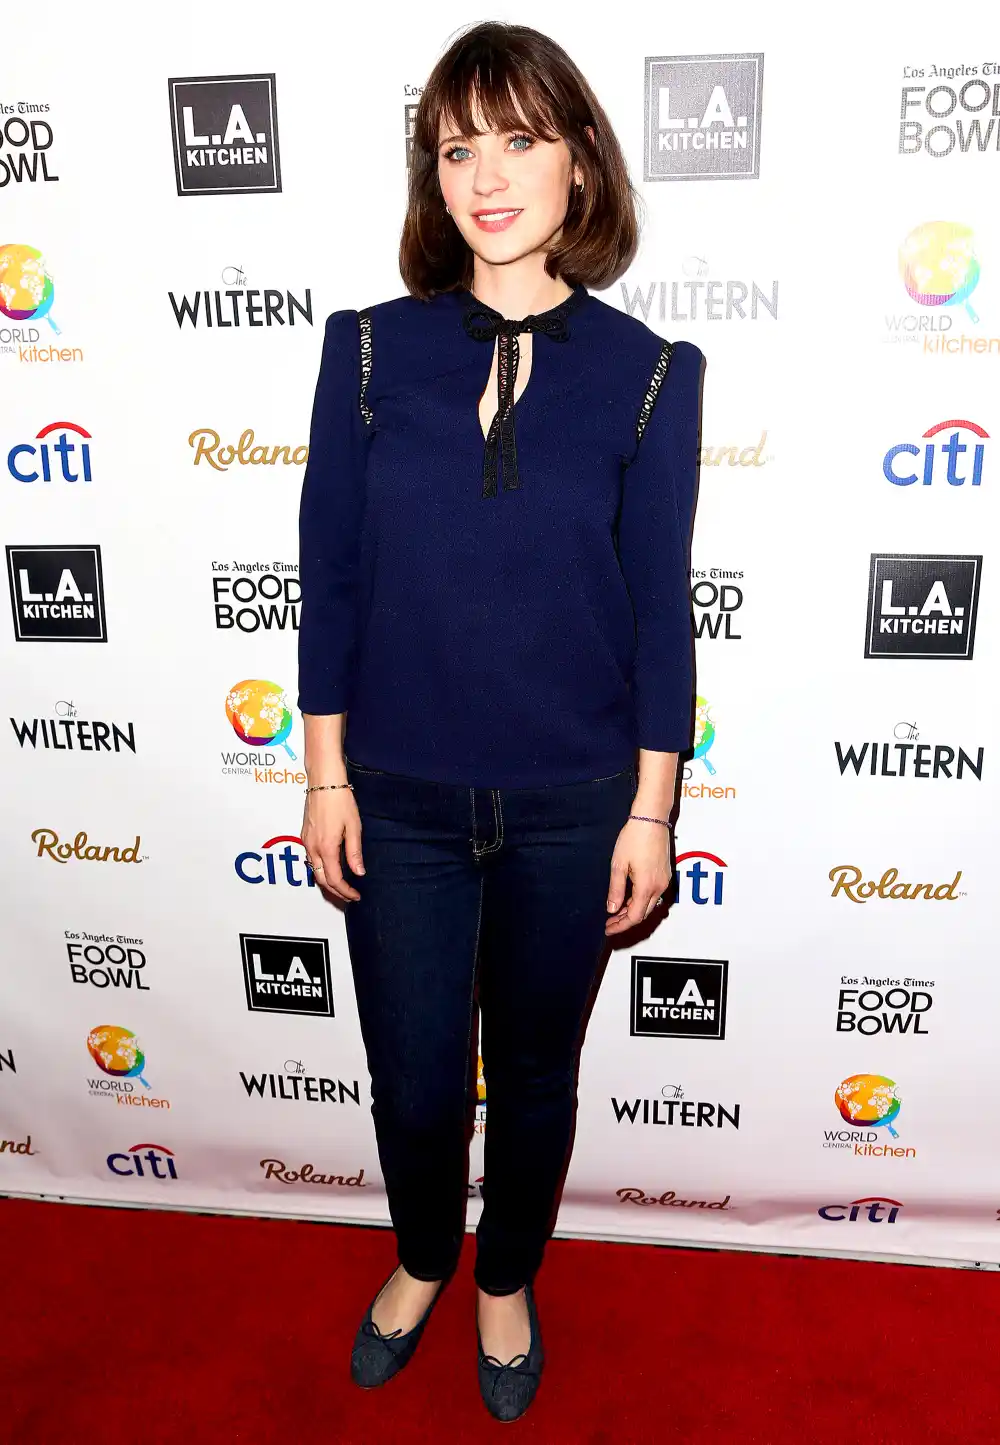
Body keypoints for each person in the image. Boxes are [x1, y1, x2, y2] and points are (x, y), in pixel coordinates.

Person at [296, 19, 703, 1423]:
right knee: (413, 1081)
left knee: (534, 1076)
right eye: (459, 144)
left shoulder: (654, 371)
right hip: (394, 795)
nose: (488, 173)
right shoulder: (363, 353)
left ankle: (505, 1275)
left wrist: (652, 809)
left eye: (521, 137)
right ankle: (420, 1256)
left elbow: (660, 609)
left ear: (580, 163)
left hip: (574, 802)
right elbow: (331, 578)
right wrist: (324, 777)